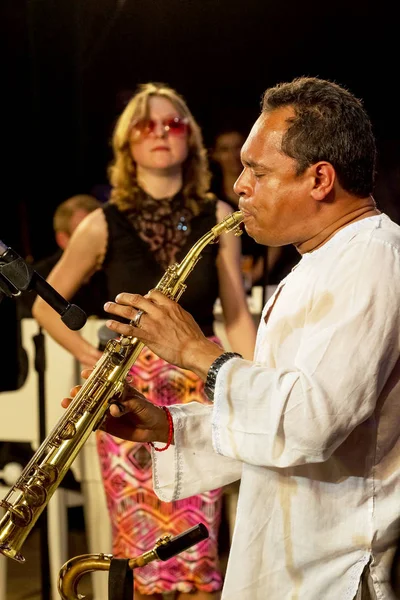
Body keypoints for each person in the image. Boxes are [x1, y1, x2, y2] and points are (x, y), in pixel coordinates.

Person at [65, 75, 400, 599]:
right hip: (295, 561)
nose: (240, 184)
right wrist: (169, 427)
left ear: (320, 179)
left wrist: (197, 352)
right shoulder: (323, 261)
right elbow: (277, 430)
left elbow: (309, 423)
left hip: (333, 571)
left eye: (257, 171)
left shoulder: (372, 258)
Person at [33, 82, 257, 599]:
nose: (160, 132)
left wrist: (247, 379)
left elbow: (237, 312)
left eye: (173, 123)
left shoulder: (218, 214)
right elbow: (46, 304)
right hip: (127, 392)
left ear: (190, 140)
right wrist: (90, 355)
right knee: (136, 541)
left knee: (199, 542)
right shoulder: (101, 222)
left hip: (199, 383)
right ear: (126, 143)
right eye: (146, 124)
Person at [18, 193, 107, 319]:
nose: (94, 243)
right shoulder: (34, 281)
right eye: (83, 235)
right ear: (62, 239)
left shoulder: (115, 271)